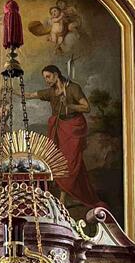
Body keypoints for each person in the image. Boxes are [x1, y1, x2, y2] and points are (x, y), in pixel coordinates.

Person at [26, 65, 104, 209]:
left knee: (71, 162)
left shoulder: (73, 88)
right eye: (45, 78)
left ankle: (63, 199)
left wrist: (69, 105)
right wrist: (15, 92)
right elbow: (31, 95)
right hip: (59, 128)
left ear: (56, 75)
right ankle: (70, 196)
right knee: (60, 160)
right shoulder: (51, 92)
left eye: (48, 77)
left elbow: (86, 108)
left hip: (73, 128)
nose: (46, 80)